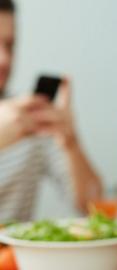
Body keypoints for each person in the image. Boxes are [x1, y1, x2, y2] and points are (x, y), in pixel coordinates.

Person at [0, 0, 102, 222]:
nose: (4, 59)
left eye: (9, 45)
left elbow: (94, 207)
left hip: (14, 256)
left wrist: (71, 143)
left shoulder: (28, 118)